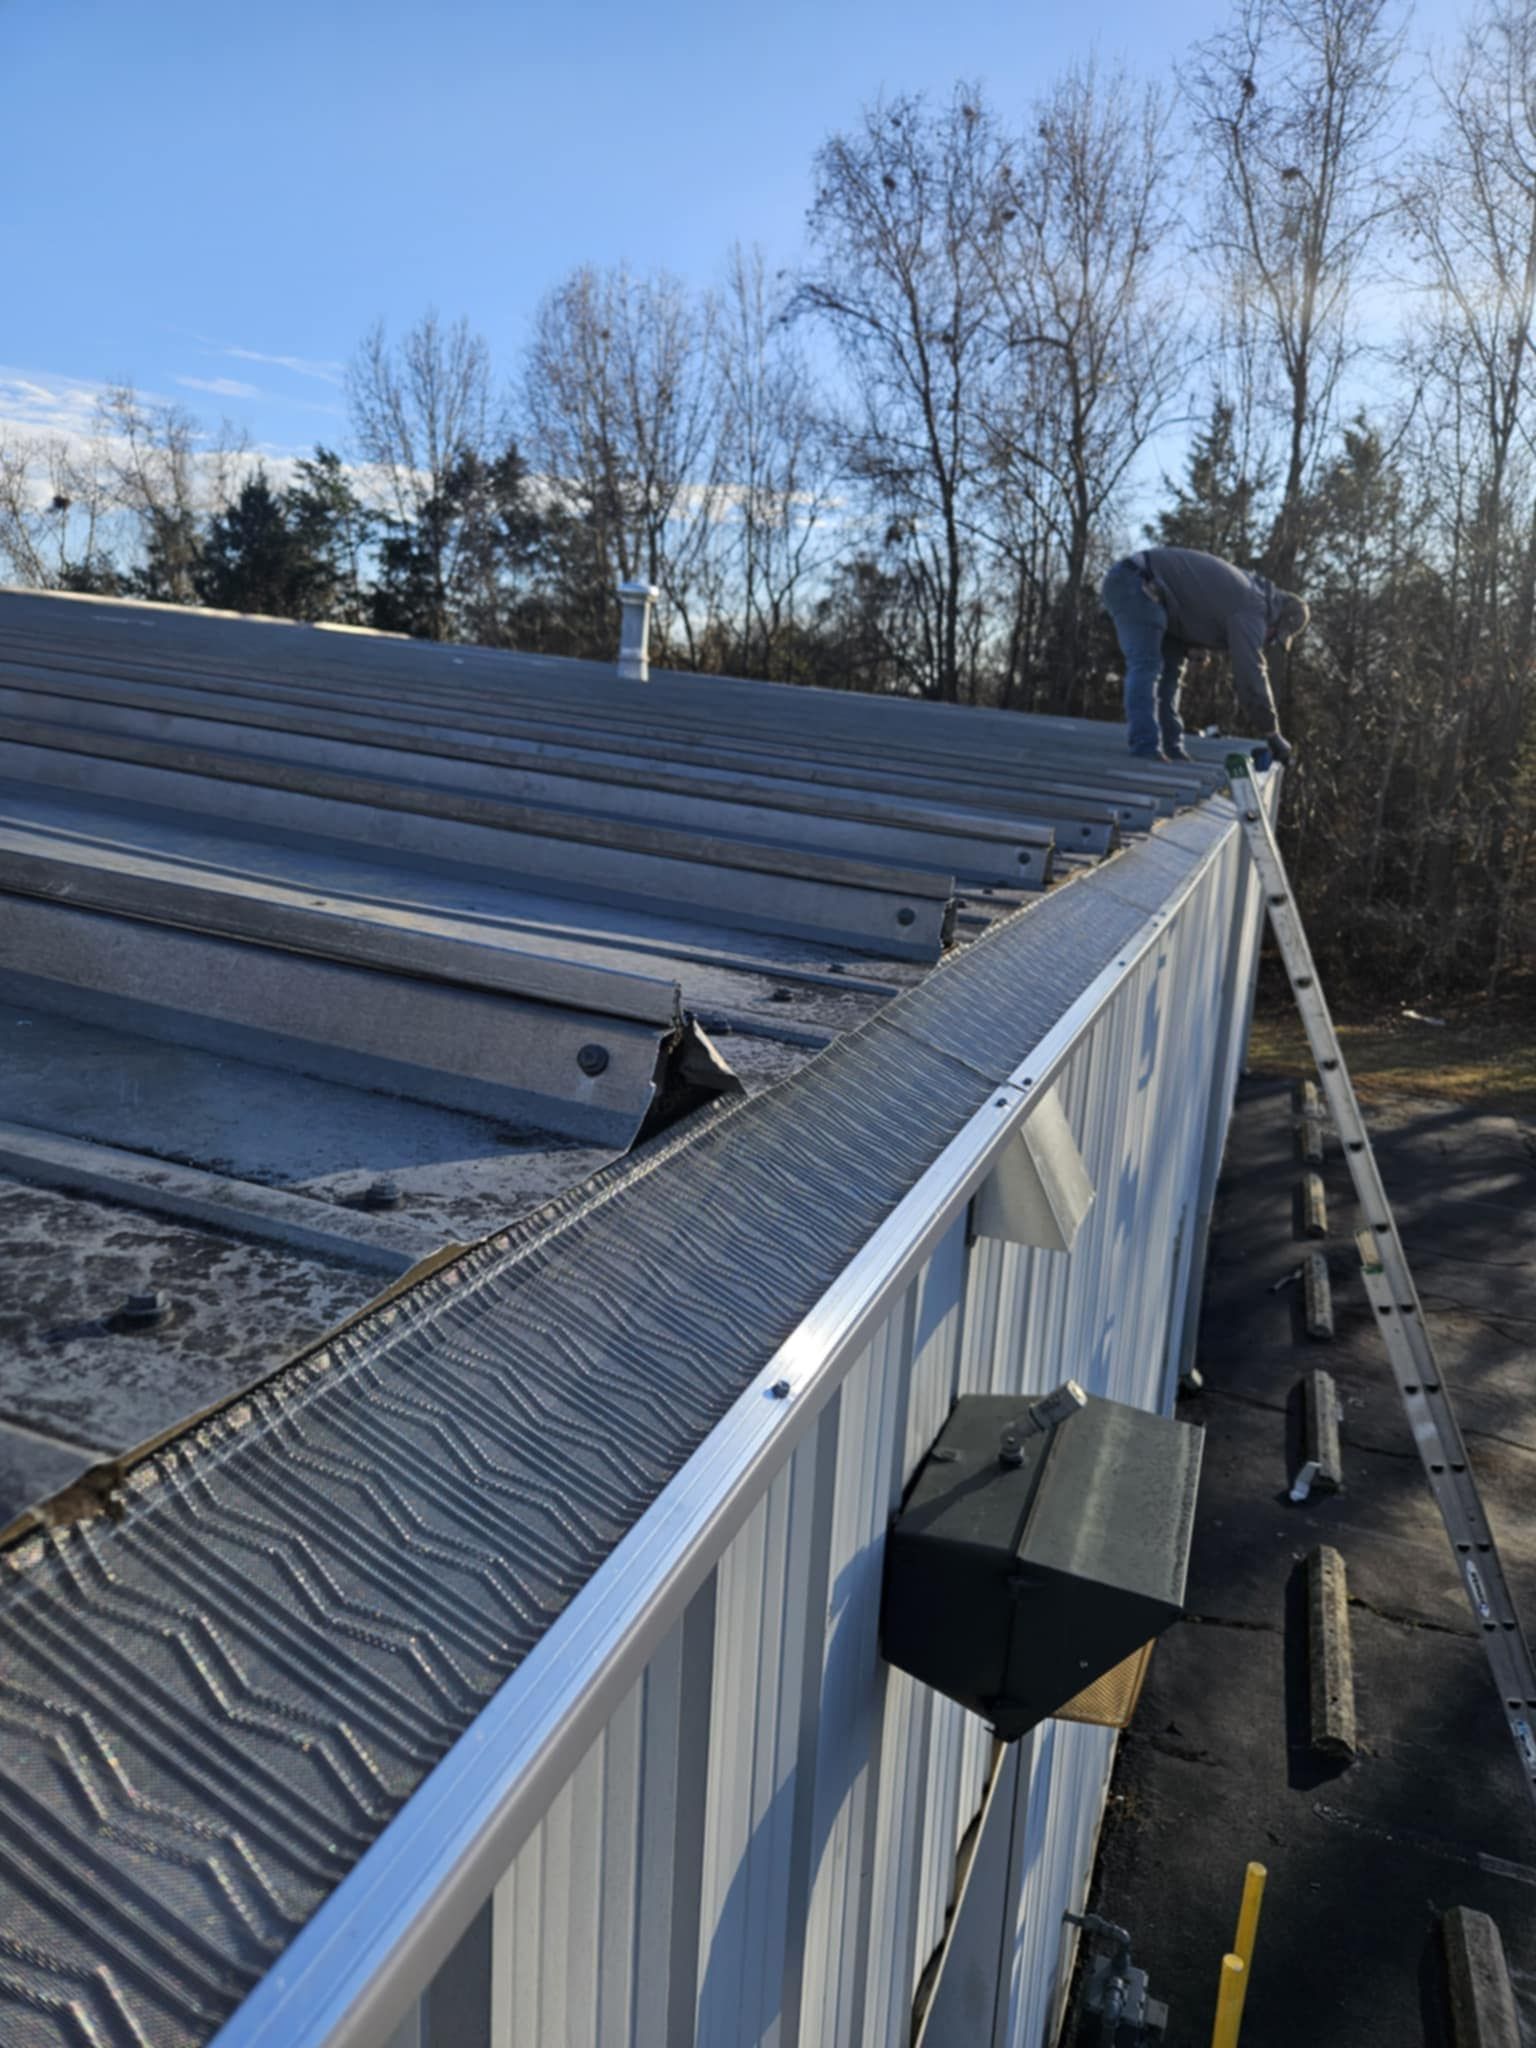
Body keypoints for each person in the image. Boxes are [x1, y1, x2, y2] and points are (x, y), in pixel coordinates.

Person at [1100, 544, 1309, 765]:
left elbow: (1198, 602)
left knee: (1172, 675)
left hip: (1160, 598)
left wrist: (1196, 644)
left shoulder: (1250, 594)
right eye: (1273, 637)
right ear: (1277, 621)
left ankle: (1173, 748)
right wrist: (1272, 733)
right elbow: (1251, 674)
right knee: (1146, 666)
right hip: (1136, 584)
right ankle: (1145, 746)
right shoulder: (1253, 607)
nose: (1267, 642)